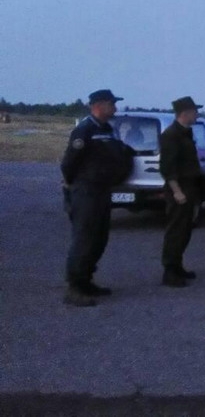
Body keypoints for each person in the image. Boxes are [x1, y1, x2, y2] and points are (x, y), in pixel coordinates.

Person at [60, 89, 134, 307]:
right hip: (86, 192)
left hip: (102, 191)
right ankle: (74, 287)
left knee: (99, 238)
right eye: (112, 104)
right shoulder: (85, 130)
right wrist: (74, 185)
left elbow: (118, 153)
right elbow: (68, 164)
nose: (115, 108)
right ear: (99, 105)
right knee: (84, 239)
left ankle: (86, 281)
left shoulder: (108, 129)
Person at [159, 96, 205, 287]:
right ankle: (170, 271)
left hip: (189, 187)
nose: (197, 114)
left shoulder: (186, 133)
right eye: (195, 111)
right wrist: (176, 191)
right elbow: (167, 167)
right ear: (185, 113)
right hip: (179, 189)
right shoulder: (171, 135)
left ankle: (178, 266)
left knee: (185, 230)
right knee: (176, 231)